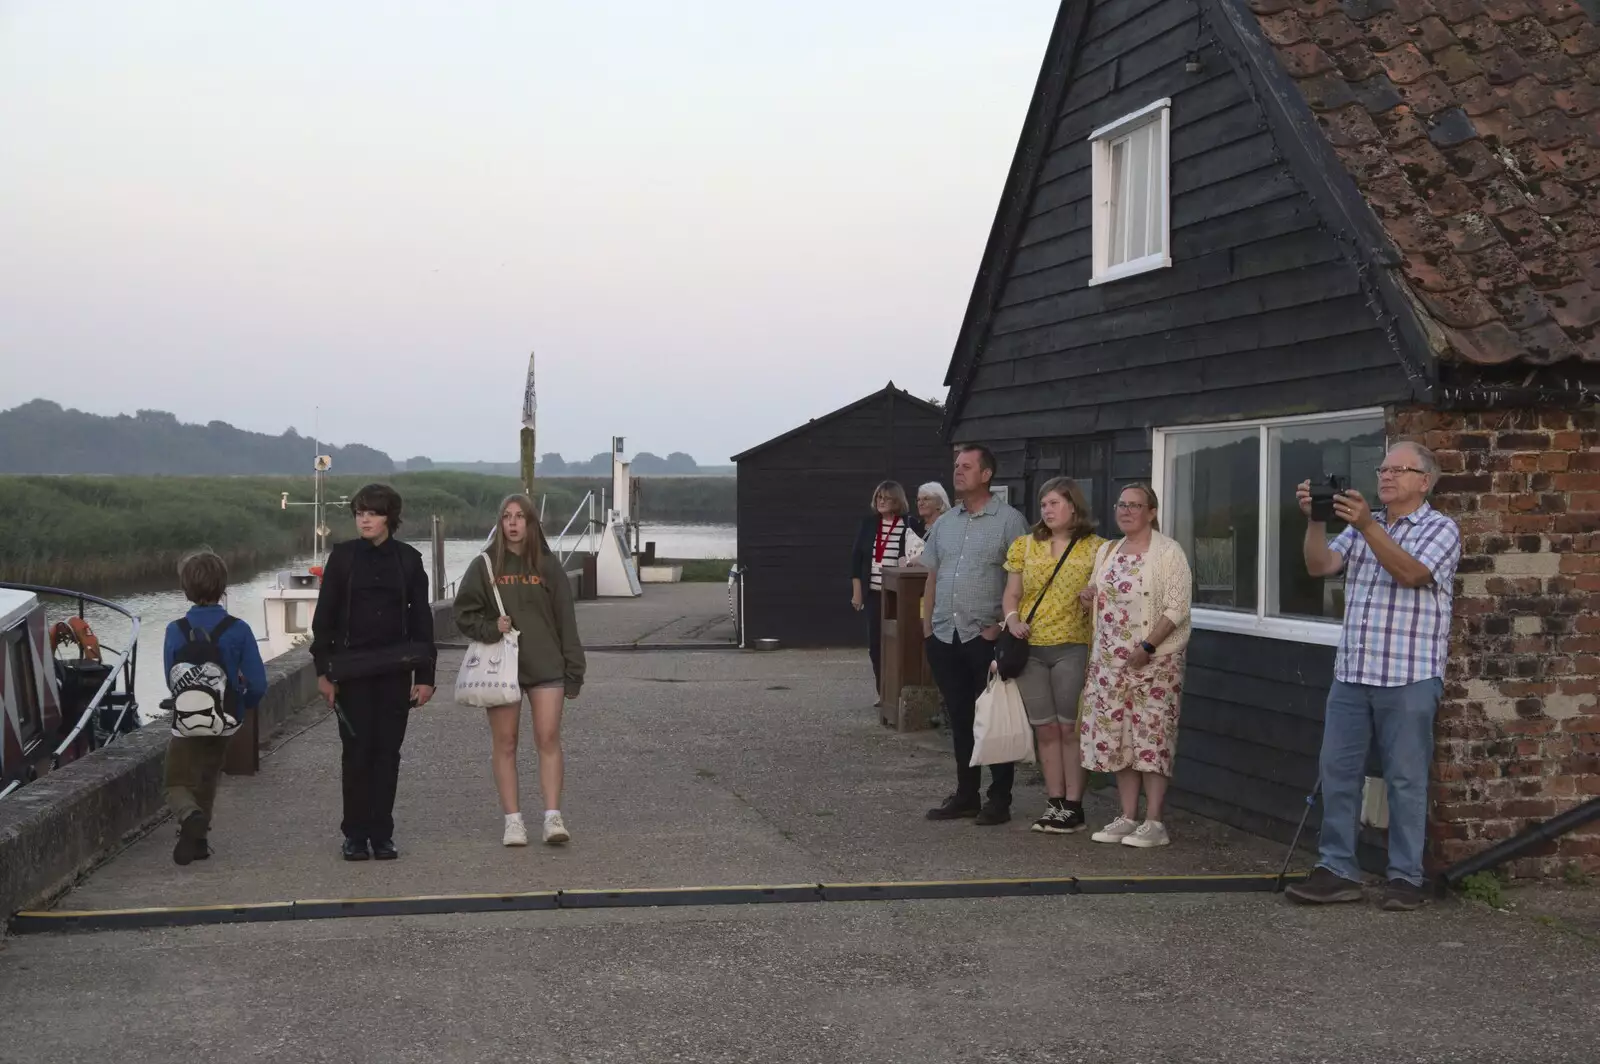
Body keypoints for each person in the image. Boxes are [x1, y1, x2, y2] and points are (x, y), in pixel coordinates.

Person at [1286, 442, 1461, 912]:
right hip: (1354, 672)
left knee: (1405, 779)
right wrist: (1318, 519)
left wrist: (1365, 524)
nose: (1385, 477)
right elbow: (1320, 566)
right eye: (1381, 469)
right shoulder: (1368, 524)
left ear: (1424, 481)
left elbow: (1410, 573)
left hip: (1409, 675)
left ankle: (1405, 876)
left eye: (1397, 470)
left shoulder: (1440, 529)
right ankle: (1337, 869)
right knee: (1338, 772)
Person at [310, 483, 437, 862]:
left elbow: (422, 622)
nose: (364, 519)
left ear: (389, 518)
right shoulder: (343, 559)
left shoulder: (409, 561)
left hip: (395, 674)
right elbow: (324, 621)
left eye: (373, 512)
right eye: (360, 512)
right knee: (356, 753)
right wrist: (323, 673)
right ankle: (354, 834)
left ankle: (382, 833)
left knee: (388, 754)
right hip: (351, 674)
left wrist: (426, 677)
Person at [453, 493, 587, 847]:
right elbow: (464, 613)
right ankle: (513, 821)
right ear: (500, 523)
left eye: (519, 517)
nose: (512, 523)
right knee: (506, 742)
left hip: (546, 665)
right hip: (501, 667)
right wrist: (490, 628)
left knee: (547, 738)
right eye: (506, 517)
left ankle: (552, 817)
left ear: (531, 523)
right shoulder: (484, 566)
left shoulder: (548, 565)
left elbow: (566, 623)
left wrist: (575, 669)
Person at [920, 444, 1031, 824]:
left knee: (992, 717)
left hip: (984, 637)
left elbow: (1023, 580)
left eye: (967, 467)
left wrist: (1000, 626)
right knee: (961, 717)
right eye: (956, 466)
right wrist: (926, 629)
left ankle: (1000, 799)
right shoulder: (945, 523)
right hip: (944, 635)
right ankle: (966, 794)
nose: (958, 472)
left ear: (986, 475)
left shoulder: (1010, 521)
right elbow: (932, 575)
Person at [1080, 483, 1193, 849]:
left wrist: (1147, 646)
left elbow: (1177, 608)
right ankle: (1127, 816)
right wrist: (1087, 596)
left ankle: (1154, 821)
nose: (1126, 511)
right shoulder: (1108, 550)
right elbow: (1097, 591)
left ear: (1151, 512)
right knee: (1120, 738)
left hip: (1155, 661)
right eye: (1121, 505)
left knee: (1153, 738)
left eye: (1135, 505)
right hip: (1109, 662)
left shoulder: (1168, 552)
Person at [1001, 477, 1104, 834]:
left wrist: (1092, 597)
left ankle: (1074, 805)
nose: (1047, 509)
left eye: (1055, 503)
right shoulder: (1024, 546)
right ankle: (1054, 801)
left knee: (1068, 727)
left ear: (1074, 506)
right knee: (1044, 729)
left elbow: (1108, 595)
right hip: (1030, 647)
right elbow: (1012, 595)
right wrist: (1012, 621)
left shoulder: (1097, 549)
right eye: (1044, 504)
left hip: (1073, 645)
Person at [162, 549, 268, 865]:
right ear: (223, 587)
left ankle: (189, 815)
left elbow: (171, 678)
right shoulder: (239, 629)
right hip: (224, 718)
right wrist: (240, 706)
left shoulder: (174, 630)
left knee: (176, 780)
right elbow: (258, 684)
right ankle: (199, 841)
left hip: (185, 720)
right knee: (208, 775)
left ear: (185, 589)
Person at [851, 481, 924, 701]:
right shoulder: (868, 523)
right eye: (878, 498)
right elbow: (857, 559)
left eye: (887, 498)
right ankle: (883, 692)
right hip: (873, 593)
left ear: (897, 501)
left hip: (899, 595)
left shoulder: (909, 524)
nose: (881, 502)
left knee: (901, 641)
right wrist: (857, 593)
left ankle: (900, 689)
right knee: (876, 645)